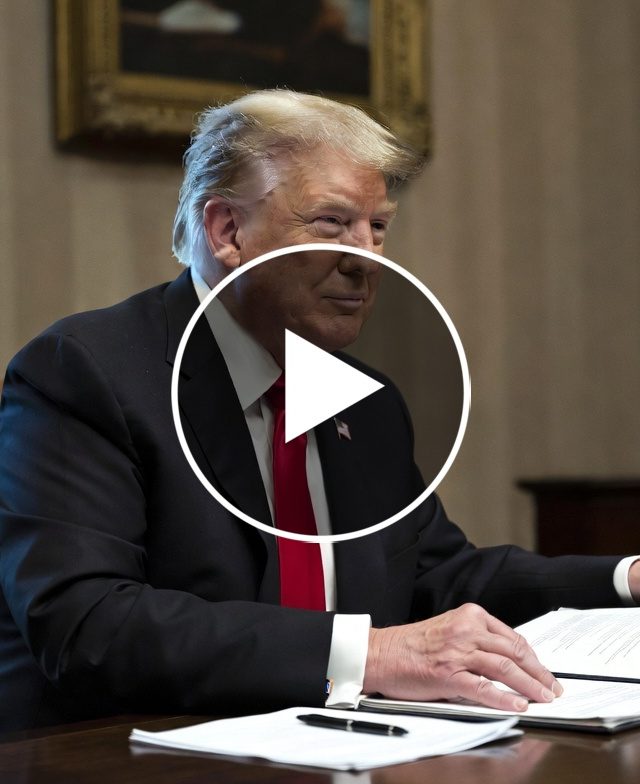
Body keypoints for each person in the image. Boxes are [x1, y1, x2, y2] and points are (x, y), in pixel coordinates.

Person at [0, 90, 637, 732]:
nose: (366, 259)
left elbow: (438, 575)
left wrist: (627, 578)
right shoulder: (86, 373)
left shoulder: (366, 400)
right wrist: (369, 655)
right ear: (227, 231)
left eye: (377, 227)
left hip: (348, 752)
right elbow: (88, 625)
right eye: (332, 223)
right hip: (130, 754)